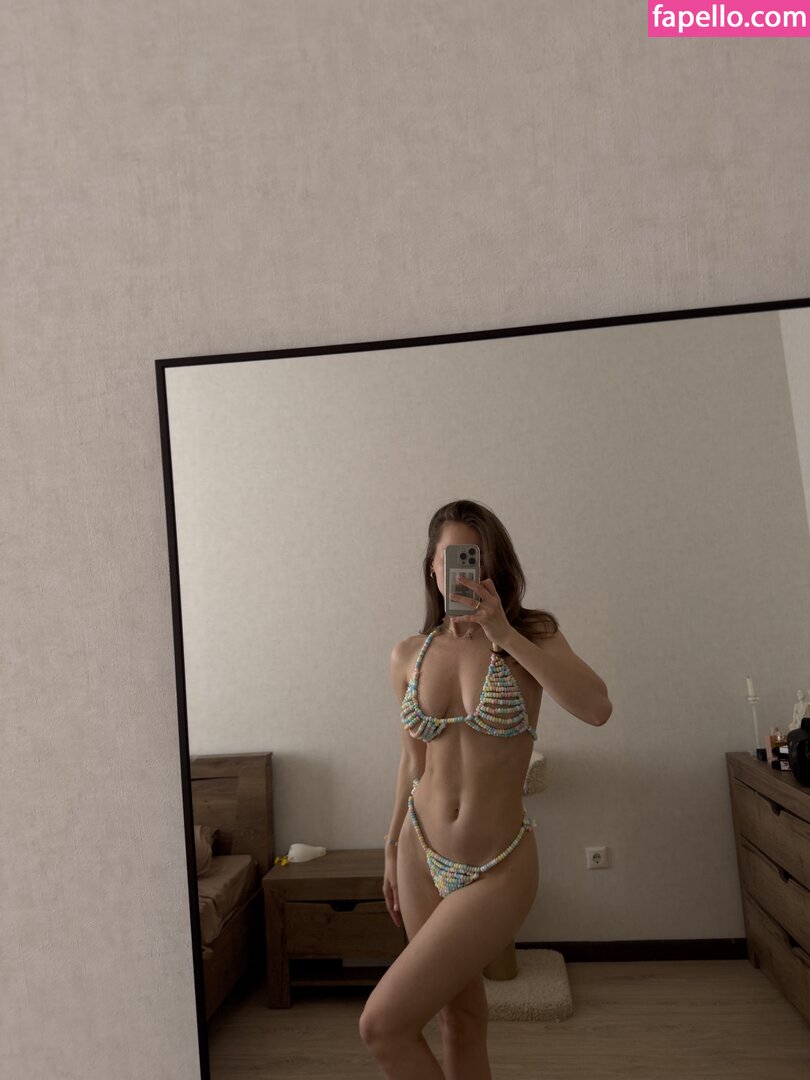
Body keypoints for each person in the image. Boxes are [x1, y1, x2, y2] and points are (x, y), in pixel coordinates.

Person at [359, 499, 612, 1079]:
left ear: (493, 565)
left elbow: (597, 707)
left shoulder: (532, 634)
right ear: (432, 567)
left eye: (474, 558)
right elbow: (411, 760)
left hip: (498, 863)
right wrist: (390, 845)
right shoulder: (409, 654)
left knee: (381, 1025)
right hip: (420, 852)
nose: (462, 570)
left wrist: (504, 634)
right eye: (451, 558)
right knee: (460, 1018)